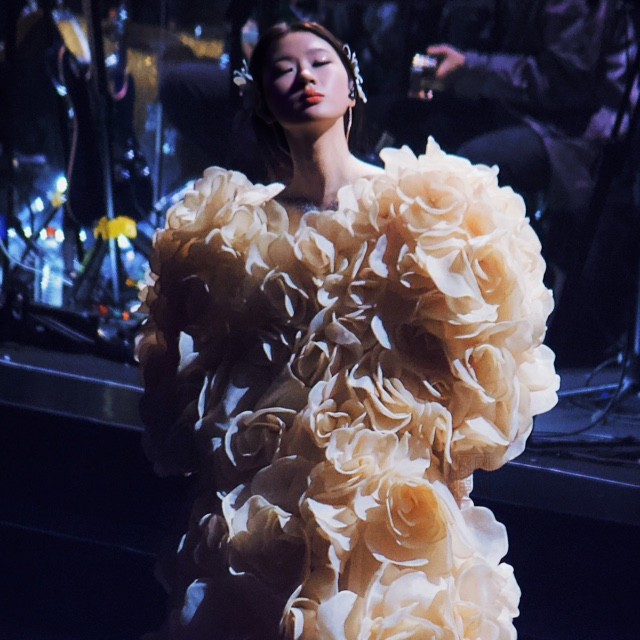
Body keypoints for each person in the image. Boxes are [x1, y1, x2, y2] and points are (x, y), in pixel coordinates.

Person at [135, 21, 559, 640]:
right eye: (283, 69)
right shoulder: (233, 230)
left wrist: (441, 444)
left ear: (353, 87)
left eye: (319, 62)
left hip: (383, 498)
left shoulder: (424, 209)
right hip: (266, 505)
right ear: (261, 99)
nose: (303, 76)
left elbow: (493, 351)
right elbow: (183, 367)